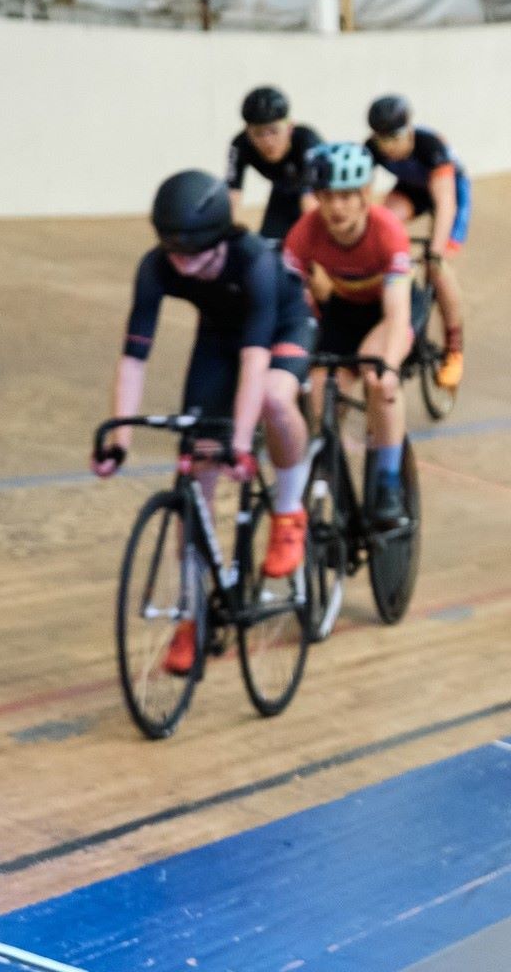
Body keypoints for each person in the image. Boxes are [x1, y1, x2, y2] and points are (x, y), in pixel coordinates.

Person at [94, 169, 317, 675]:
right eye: (173, 255)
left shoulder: (255, 262)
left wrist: (239, 442)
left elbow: (255, 364)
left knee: (276, 401)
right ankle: (192, 619)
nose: (183, 267)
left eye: (194, 256)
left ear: (218, 241)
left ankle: (288, 512)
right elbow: (133, 358)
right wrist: (119, 437)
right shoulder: (158, 267)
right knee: (195, 477)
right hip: (219, 339)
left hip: (282, 324)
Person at [284, 142, 413, 530]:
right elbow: (286, 302)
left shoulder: (388, 231)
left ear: (364, 195)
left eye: (345, 196)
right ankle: (335, 483)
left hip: (386, 314)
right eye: (327, 197)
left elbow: (397, 313)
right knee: (321, 396)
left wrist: (388, 370)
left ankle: (389, 482)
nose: (336, 207)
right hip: (343, 312)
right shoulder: (304, 234)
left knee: (377, 380)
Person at [364, 94, 467, 391]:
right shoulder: (371, 149)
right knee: (383, 225)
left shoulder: (430, 147)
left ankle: (454, 349)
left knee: (437, 265)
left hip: (450, 193)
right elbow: (365, 201)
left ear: (408, 129)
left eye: (394, 137)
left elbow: (445, 204)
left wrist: (435, 252)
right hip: (411, 190)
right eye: (381, 139)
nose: (388, 147)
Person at [225, 85, 326, 241]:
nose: (268, 141)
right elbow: (232, 195)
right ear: (247, 132)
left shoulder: (307, 141)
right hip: (283, 190)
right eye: (258, 133)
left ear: (289, 127)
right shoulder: (240, 145)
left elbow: (310, 200)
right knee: (269, 244)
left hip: (319, 194)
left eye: (273, 131)